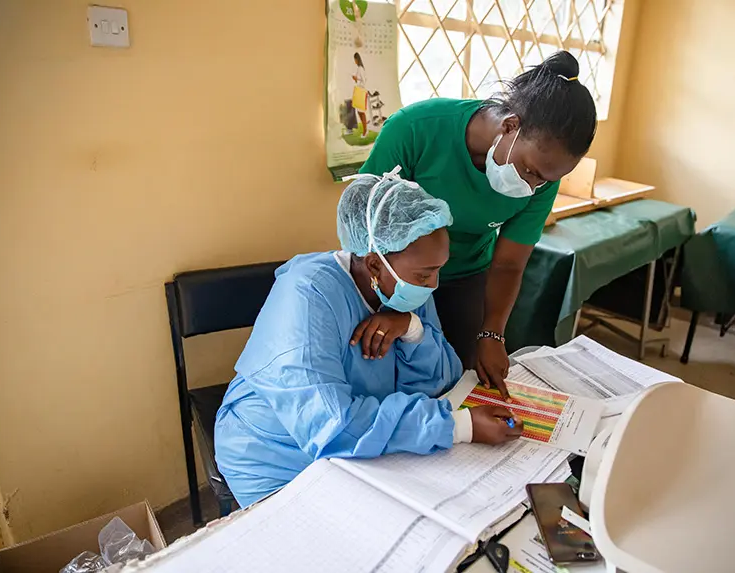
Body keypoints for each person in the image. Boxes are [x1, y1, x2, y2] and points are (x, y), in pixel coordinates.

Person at [214, 170, 524, 508]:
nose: (433, 284)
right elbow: (331, 426)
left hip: (358, 438)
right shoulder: (307, 295)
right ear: (375, 264)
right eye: (425, 275)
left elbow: (442, 379)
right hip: (274, 451)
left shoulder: (407, 286)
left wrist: (411, 329)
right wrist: (457, 426)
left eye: (438, 270)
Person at [360, 51, 597, 401]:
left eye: (545, 181)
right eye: (530, 171)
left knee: (455, 384)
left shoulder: (543, 178)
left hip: (467, 277)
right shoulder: (416, 129)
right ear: (510, 126)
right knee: (380, 377)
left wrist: (492, 334)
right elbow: (366, 223)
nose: (532, 188)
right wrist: (398, 306)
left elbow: (509, 263)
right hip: (394, 277)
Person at [352, 52, 368, 137]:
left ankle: (365, 130)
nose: (354, 61)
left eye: (355, 59)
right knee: (359, 111)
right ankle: (364, 129)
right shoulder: (359, 68)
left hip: (361, 91)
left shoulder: (360, 68)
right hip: (359, 90)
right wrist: (356, 79)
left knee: (361, 112)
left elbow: (363, 81)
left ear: (357, 59)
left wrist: (356, 78)